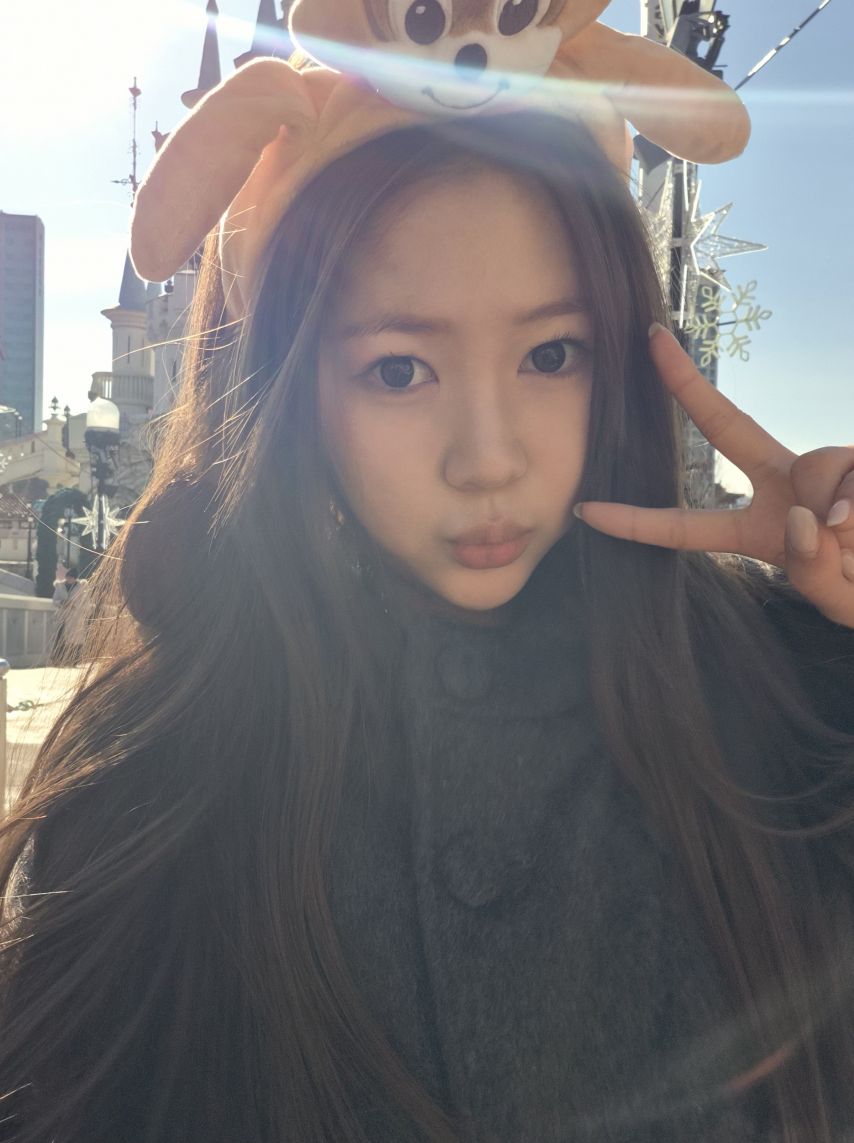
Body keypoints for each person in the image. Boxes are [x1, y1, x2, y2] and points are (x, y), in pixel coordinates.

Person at [0, 57, 852, 1143]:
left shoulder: (776, 694)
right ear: (288, 388)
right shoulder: (153, 782)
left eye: (551, 354)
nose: (487, 460)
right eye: (399, 370)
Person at [50, 567, 91, 666]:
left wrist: (74, 605)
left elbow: (86, 602)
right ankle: (57, 660)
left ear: (75, 578)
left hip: (77, 617)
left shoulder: (82, 587)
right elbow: (55, 600)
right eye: (67, 577)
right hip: (63, 617)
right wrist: (62, 602)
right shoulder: (60, 586)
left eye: (71, 577)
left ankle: (74, 661)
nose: (69, 579)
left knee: (76, 640)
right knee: (60, 638)